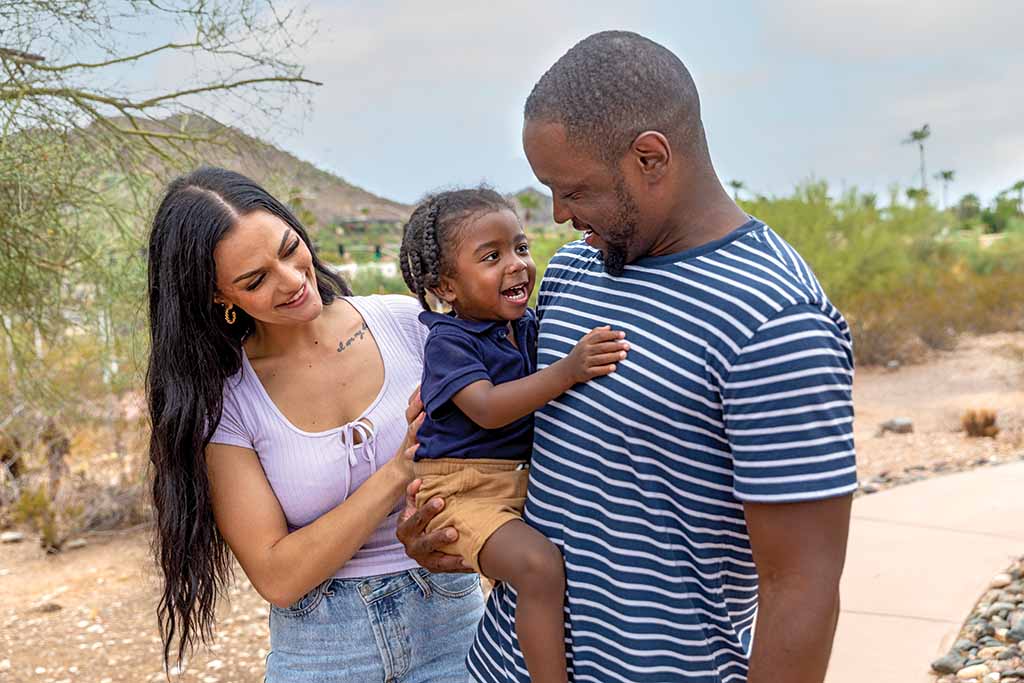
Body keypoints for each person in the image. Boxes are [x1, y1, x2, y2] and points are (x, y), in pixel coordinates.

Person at [398, 31, 856, 683]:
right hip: (500, 664)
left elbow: (802, 586)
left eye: (574, 189)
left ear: (650, 157)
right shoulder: (573, 272)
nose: (558, 215)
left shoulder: (773, 319)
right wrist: (450, 530)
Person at [146, 167, 483, 682]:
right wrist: (398, 471)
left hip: (454, 628)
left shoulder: (411, 327)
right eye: (254, 280)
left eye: (288, 249)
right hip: (324, 650)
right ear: (219, 297)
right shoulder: (229, 401)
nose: (292, 280)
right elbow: (278, 575)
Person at [397, 187, 629, 683]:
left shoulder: (525, 326)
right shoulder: (449, 341)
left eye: (520, 248)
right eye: (491, 256)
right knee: (539, 568)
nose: (517, 264)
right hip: (460, 490)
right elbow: (487, 410)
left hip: (513, 480)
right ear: (447, 286)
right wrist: (569, 370)